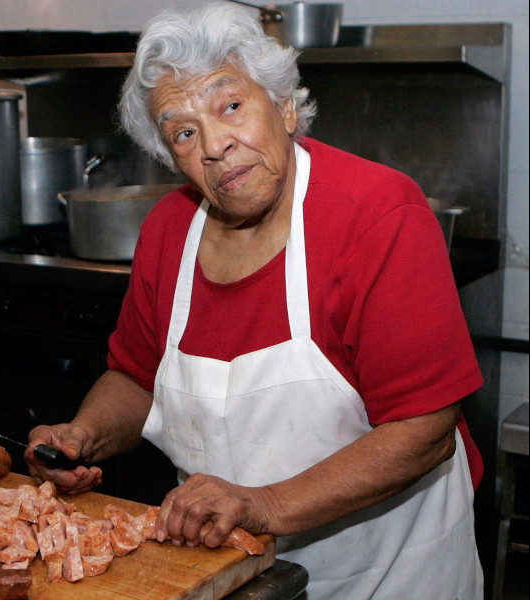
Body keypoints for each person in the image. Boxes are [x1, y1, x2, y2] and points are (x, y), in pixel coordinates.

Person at [24, 3, 485, 598]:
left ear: (286, 105)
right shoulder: (169, 231)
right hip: (234, 578)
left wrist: (262, 505)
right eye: (184, 132)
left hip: (390, 574)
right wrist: (83, 435)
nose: (214, 145)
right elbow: (138, 377)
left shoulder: (378, 215)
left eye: (231, 105)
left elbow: (424, 429)